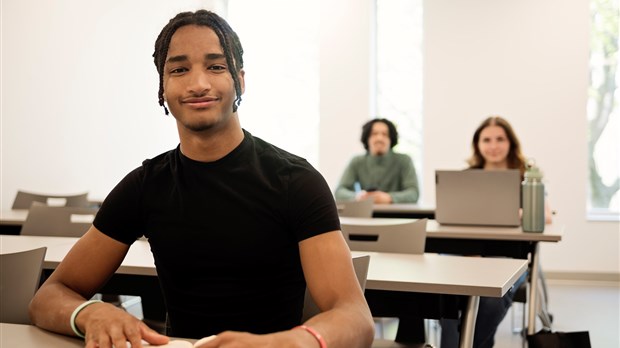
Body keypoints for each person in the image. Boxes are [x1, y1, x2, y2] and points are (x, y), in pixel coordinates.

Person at [29, 9, 374, 348]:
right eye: (179, 69)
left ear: (240, 79)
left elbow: (354, 315)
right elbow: (48, 296)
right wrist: (91, 313)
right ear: (162, 87)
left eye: (215, 66)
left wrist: (295, 341)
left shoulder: (295, 181)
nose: (198, 84)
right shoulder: (145, 185)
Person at [440, 115, 552, 348]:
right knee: (445, 295)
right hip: (466, 255)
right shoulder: (466, 176)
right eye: (486, 140)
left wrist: (514, 212)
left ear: (511, 143)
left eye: (500, 139)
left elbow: (547, 215)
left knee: (489, 301)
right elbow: (452, 214)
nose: (493, 146)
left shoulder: (526, 175)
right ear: (478, 144)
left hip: (510, 258)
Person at [334, 118, 419, 204]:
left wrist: (389, 198)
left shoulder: (404, 160)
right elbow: (339, 192)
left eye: (385, 134)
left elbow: (414, 193)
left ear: (391, 139)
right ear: (367, 138)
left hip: (398, 214)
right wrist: (358, 196)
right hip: (365, 214)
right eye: (374, 134)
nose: (379, 138)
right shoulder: (357, 161)